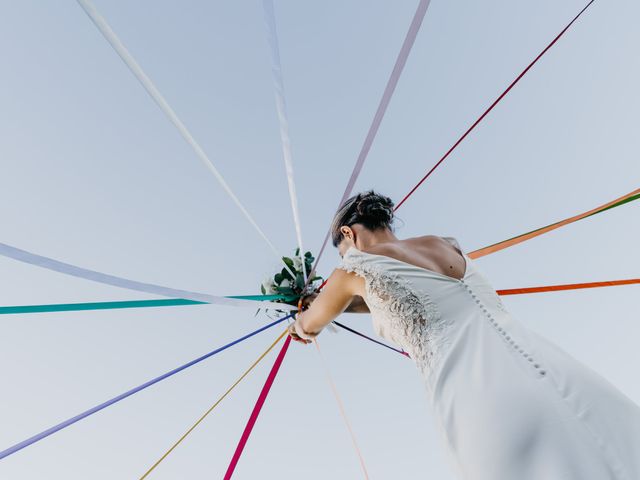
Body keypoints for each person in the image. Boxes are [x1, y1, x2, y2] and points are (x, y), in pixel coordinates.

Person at [287, 189, 640, 479]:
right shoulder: (444, 244)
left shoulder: (351, 269)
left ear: (348, 234)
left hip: (476, 397)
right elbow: (402, 294)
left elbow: (310, 323)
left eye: (343, 249)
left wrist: (299, 317)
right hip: (555, 370)